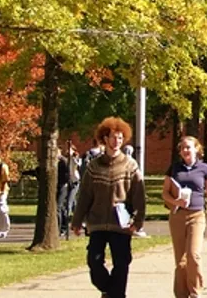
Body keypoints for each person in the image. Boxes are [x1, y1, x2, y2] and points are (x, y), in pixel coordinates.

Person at [72, 117, 147, 298]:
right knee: (94, 262)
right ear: (105, 139)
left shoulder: (130, 165)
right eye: (114, 137)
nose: (117, 141)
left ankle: (115, 295)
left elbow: (139, 195)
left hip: (120, 224)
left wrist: (138, 221)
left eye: (120, 138)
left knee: (122, 263)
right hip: (97, 223)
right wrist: (77, 221)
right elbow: (84, 196)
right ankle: (109, 290)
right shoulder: (93, 166)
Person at [162, 136, 207, 298]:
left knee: (193, 255)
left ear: (196, 149)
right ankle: (181, 294)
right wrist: (175, 201)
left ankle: (195, 292)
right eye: (183, 148)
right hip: (177, 216)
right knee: (180, 261)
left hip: (197, 215)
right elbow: (164, 193)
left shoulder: (204, 169)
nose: (185, 150)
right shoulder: (174, 168)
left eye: (189, 147)